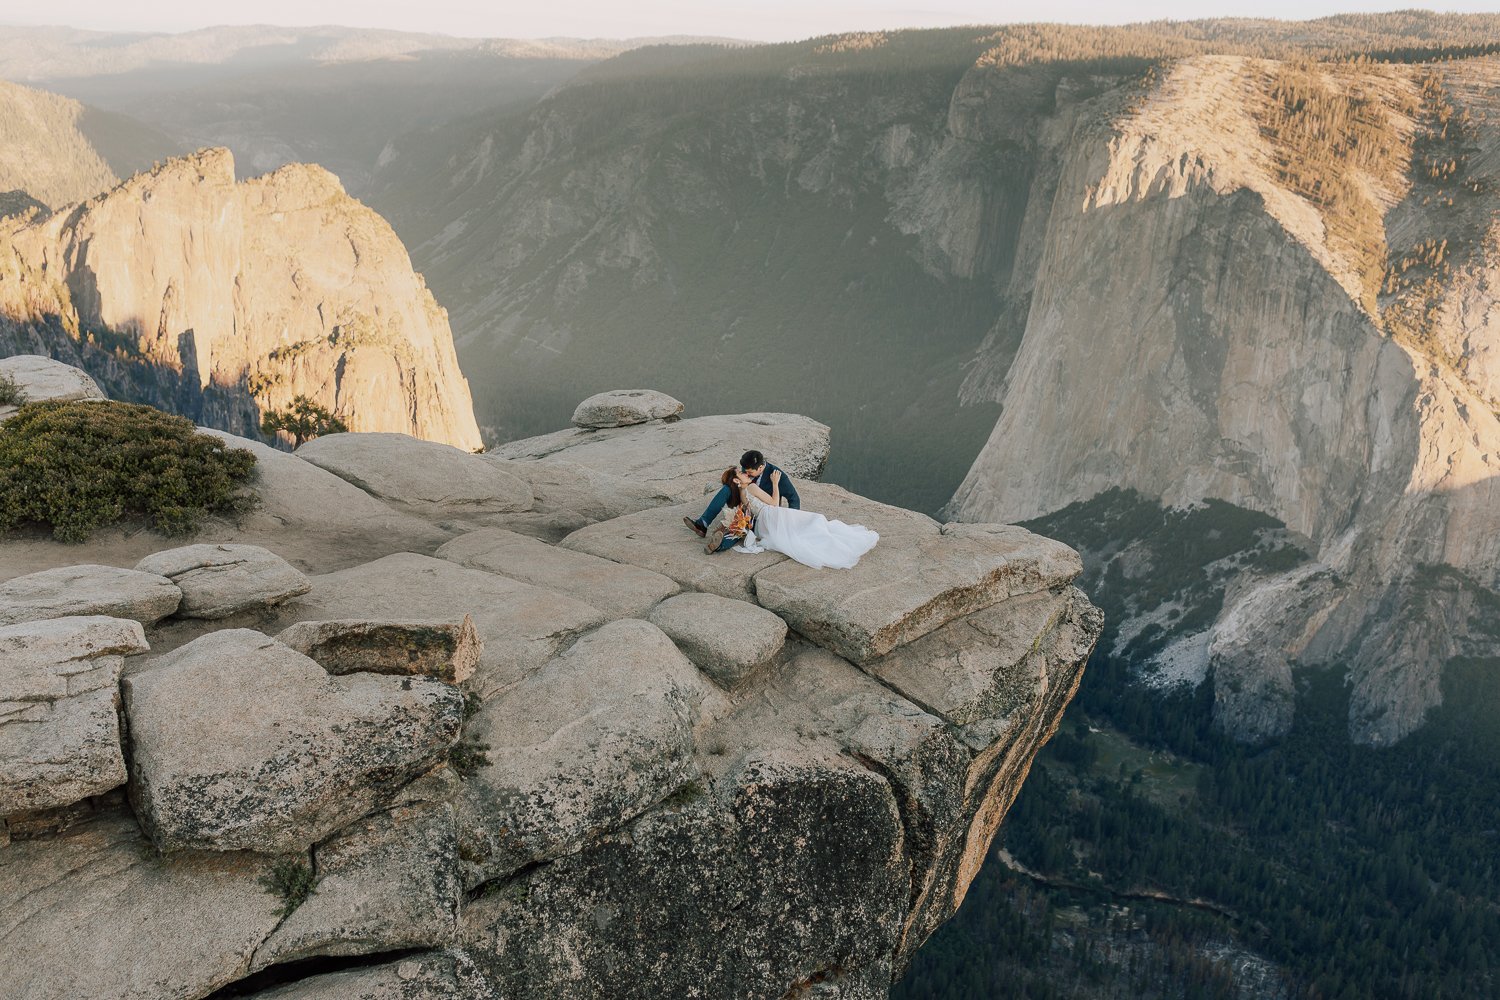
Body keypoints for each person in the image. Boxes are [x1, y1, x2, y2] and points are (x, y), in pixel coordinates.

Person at [732, 466, 878, 570]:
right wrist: (775, 483)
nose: (745, 473)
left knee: (802, 529)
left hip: (763, 523)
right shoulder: (751, 487)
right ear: (737, 481)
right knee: (815, 520)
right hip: (771, 514)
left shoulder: (742, 492)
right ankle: (835, 544)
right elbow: (774, 503)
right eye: (741, 473)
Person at [684, 449, 800, 539]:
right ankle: (703, 523)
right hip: (745, 501)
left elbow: (794, 498)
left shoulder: (777, 476)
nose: (746, 474)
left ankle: (721, 542)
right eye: (745, 471)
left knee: (741, 523)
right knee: (727, 489)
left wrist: (791, 523)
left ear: (760, 468)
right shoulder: (748, 467)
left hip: (762, 512)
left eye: (750, 472)